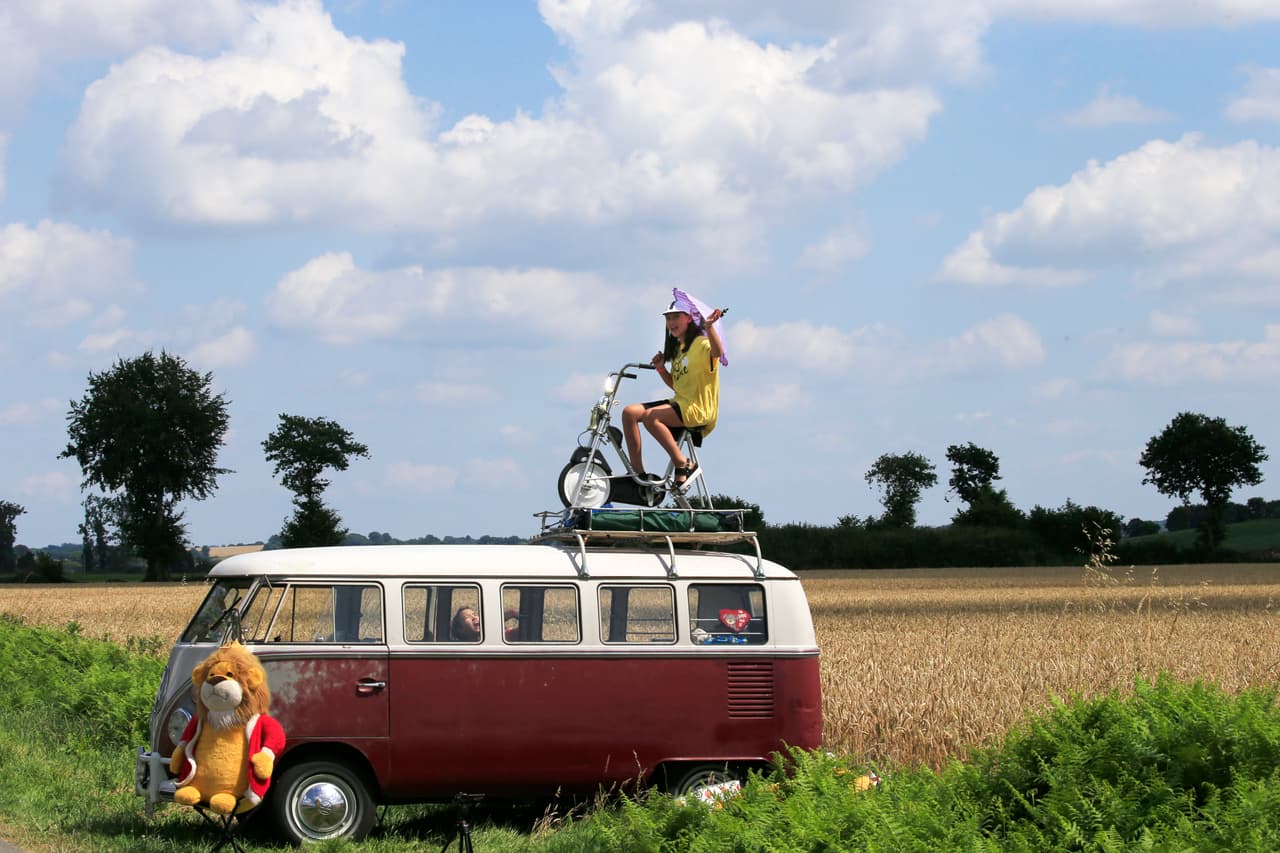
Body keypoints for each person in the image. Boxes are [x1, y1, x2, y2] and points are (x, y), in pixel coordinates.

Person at [622, 299, 725, 487]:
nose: (671, 322)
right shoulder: (678, 350)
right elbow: (678, 387)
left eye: (676, 316)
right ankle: (638, 476)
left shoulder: (702, 344)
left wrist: (709, 327)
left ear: (689, 319)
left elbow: (717, 351)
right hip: (680, 403)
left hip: (699, 409)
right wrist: (661, 369)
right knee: (629, 413)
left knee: (651, 417)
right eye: (668, 318)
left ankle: (684, 463)